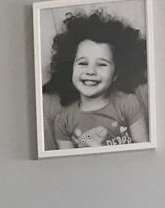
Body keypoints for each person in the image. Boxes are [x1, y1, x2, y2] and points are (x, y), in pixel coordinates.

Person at [42, 9, 149, 150]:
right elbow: (67, 162)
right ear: (70, 69)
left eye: (101, 64)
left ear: (116, 74)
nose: (90, 71)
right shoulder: (63, 121)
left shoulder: (128, 104)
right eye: (83, 63)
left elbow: (143, 150)